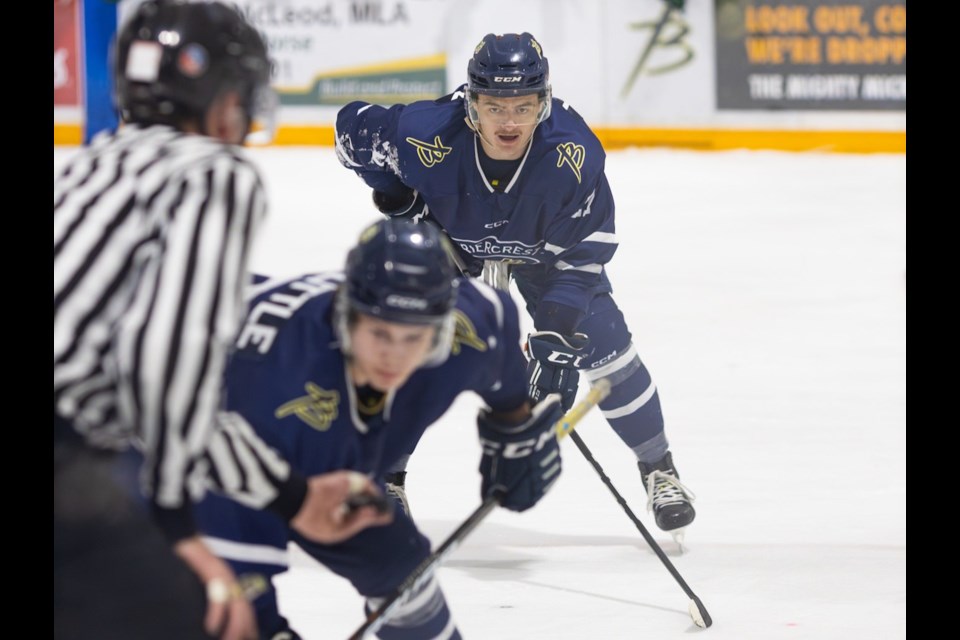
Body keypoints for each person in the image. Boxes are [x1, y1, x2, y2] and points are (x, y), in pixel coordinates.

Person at [54, 2, 390, 639]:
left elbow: (163, 402)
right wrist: (178, 529)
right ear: (223, 100)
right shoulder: (215, 174)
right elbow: (167, 360)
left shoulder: (92, 166)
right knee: (212, 617)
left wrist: (292, 497)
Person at [334, 32, 696, 538]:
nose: (509, 122)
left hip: (546, 256)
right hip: (450, 252)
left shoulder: (574, 154)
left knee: (607, 348)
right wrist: (402, 202)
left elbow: (583, 254)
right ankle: (386, 479)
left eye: (523, 107)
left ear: (542, 105)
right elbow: (350, 131)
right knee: (413, 348)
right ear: (470, 104)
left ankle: (659, 468)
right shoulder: (424, 133)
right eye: (495, 106)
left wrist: (556, 334)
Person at [195, 218, 564, 639]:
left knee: (398, 564)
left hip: (324, 452)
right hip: (185, 445)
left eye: (414, 338)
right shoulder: (270, 387)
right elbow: (222, 532)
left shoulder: (473, 329)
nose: (394, 356)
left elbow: (500, 346)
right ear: (346, 315)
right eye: (379, 333)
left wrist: (514, 430)